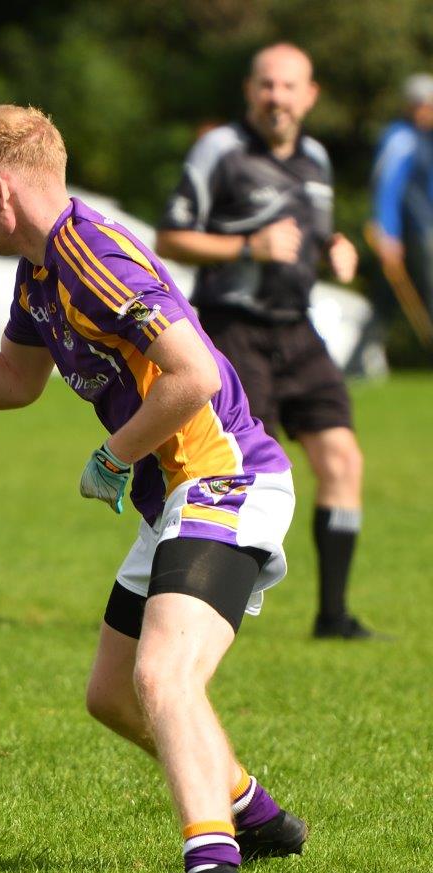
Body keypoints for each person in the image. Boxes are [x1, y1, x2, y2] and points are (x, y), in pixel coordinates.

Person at [0, 103, 305, 873]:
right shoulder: (38, 269)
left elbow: (194, 373)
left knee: (165, 674)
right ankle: (254, 815)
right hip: (174, 497)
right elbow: (19, 379)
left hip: (224, 480)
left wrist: (111, 453)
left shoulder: (96, 258)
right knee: (114, 695)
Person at [156, 43, 373, 640]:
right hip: (234, 329)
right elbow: (170, 236)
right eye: (267, 85)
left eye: (289, 86)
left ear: (310, 95)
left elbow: (316, 234)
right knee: (247, 476)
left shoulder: (317, 160)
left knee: (342, 460)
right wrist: (248, 247)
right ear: (251, 91)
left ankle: (333, 617)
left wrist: (337, 248)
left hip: (298, 328)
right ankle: (211, 604)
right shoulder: (220, 150)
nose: (277, 97)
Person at [369, 72, 433, 343]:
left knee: (384, 299)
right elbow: (387, 187)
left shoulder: (425, 138)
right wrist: (387, 232)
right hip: (416, 233)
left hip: (425, 229)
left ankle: (362, 355)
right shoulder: (401, 138)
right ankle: (363, 356)